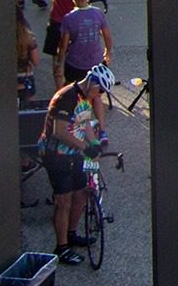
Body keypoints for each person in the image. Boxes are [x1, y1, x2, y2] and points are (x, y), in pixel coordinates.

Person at [40, 63, 114, 264]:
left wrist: (95, 144)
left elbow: (85, 122)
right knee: (64, 201)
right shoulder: (67, 97)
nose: (99, 95)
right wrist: (84, 146)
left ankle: (72, 234)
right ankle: (61, 248)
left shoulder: (85, 97)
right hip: (56, 155)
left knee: (81, 194)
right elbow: (59, 131)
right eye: (100, 90)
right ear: (92, 83)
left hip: (74, 155)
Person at [55, 0, 112, 86]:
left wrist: (59, 63)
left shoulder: (69, 18)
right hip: (96, 62)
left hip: (75, 64)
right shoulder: (98, 13)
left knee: (73, 90)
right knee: (95, 94)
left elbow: (63, 45)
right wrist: (108, 52)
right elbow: (107, 36)